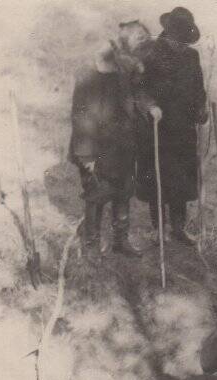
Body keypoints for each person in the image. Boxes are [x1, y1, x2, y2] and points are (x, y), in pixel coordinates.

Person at [68, 20, 152, 258]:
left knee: (123, 192)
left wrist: (150, 107)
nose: (140, 49)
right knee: (97, 195)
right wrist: (86, 155)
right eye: (138, 40)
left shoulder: (126, 68)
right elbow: (82, 117)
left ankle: (120, 241)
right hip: (97, 148)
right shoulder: (90, 73)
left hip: (123, 145)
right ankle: (91, 245)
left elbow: (137, 94)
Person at [137, 7, 208, 246]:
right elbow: (138, 88)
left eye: (185, 40)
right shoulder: (150, 54)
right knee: (157, 179)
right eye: (178, 39)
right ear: (168, 34)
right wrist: (150, 106)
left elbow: (199, 89)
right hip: (157, 129)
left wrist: (201, 109)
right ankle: (159, 230)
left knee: (181, 180)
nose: (182, 45)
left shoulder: (191, 57)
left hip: (184, 129)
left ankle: (178, 229)